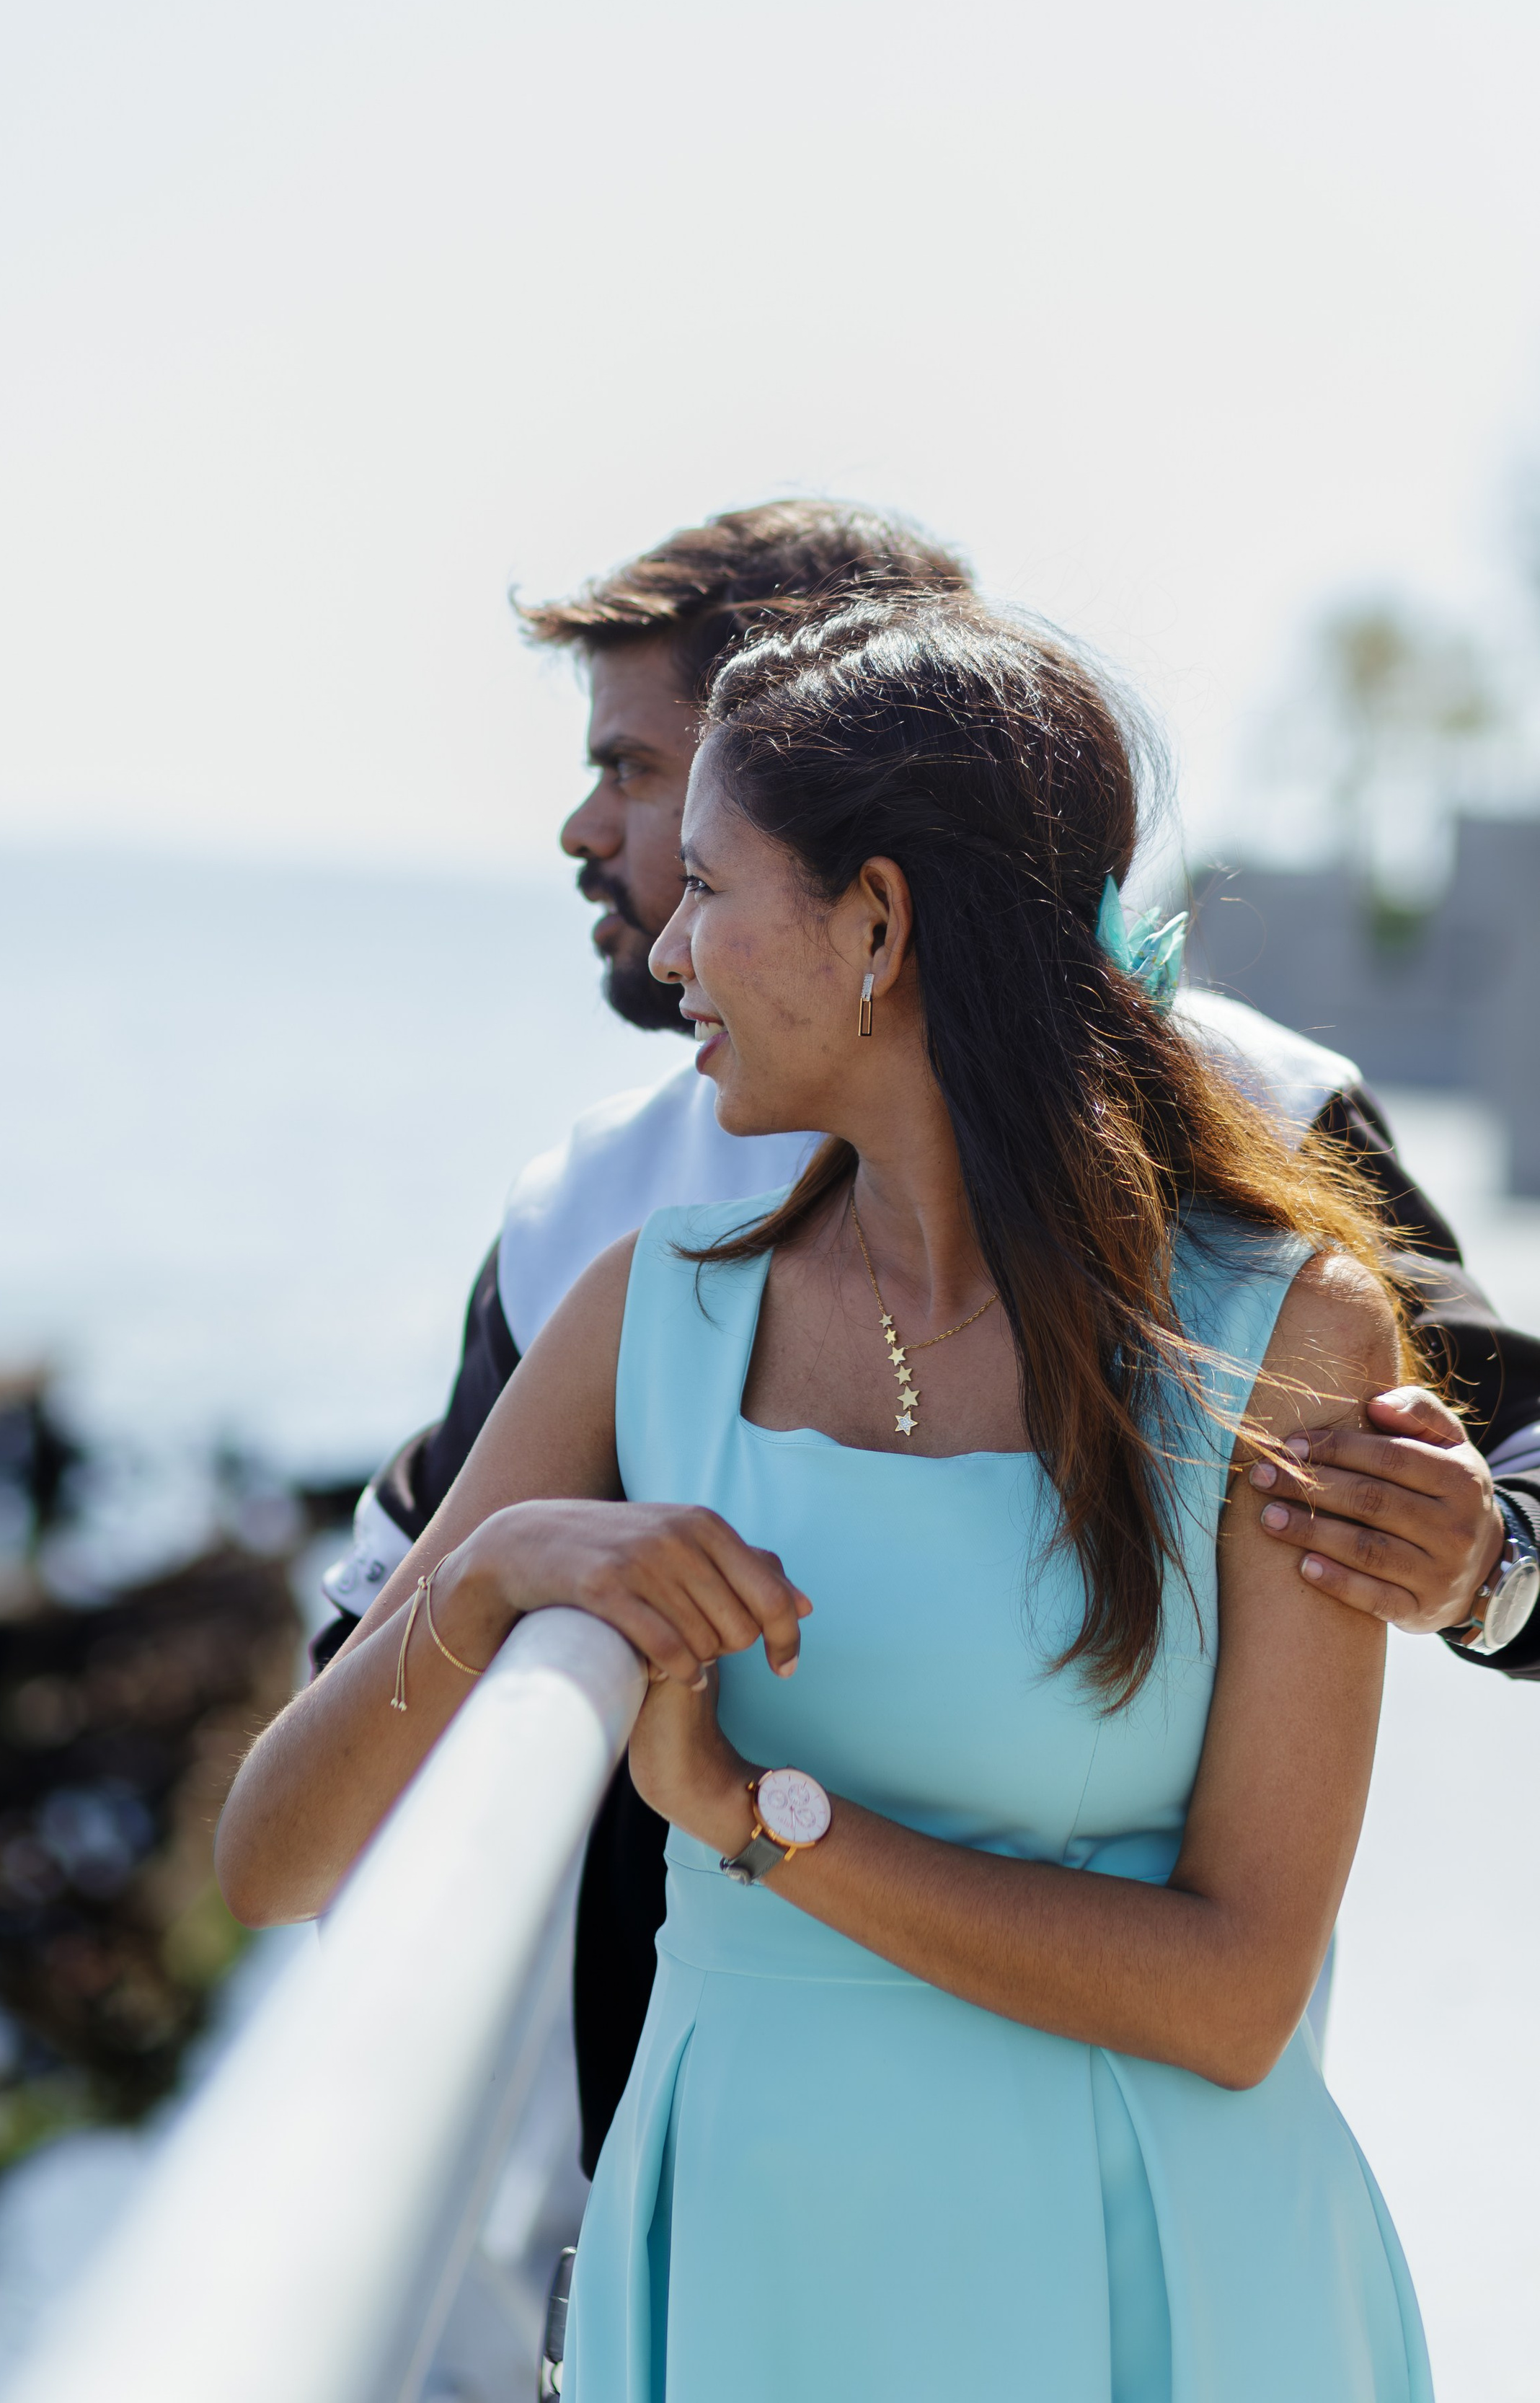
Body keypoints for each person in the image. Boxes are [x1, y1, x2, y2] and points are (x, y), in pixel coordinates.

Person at [220, 594, 1434, 2397]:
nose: (672, 948)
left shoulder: (1281, 1339)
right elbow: (273, 1859)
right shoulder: (647, 1311)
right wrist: (486, 1585)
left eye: (708, 888)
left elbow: (1234, 1992)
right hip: (743, 2272)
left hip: (1145, 2280)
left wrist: (747, 1817)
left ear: (872, 924)